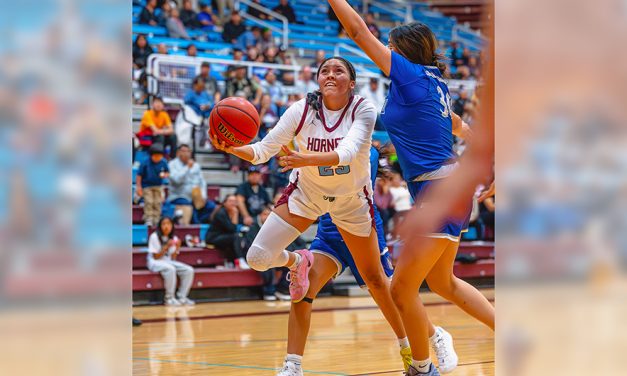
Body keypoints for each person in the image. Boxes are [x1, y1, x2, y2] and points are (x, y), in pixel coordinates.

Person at [210, 56, 413, 372]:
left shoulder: (363, 109)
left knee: (376, 279)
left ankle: (412, 349)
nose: (330, 74)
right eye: (324, 70)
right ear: (317, 79)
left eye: (339, 70)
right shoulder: (300, 110)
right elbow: (263, 151)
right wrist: (232, 148)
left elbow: (345, 154)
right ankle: (298, 261)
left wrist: (303, 159)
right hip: (308, 195)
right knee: (258, 258)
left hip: (351, 203)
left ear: (351, 80)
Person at [327, 2, 492, 375]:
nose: (385, 49)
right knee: (443, 282)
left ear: (401, 50)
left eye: (390, 45)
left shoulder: (411, 74)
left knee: (401, 289)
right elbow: (452, 122)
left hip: (439, 190)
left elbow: (357, 32)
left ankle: (421, 368)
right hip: (446, 187)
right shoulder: (432, 82)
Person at [276, 147, 457, 376]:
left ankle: (432, 336)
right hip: (330, 232)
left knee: (388, 293)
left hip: (362, 230)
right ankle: (293, 365)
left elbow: (340, 172)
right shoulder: (320, 141)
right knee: (303, 288)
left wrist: (309, 160)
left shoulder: (364, 150)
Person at [147, 216, 195, 306]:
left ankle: (182, 296)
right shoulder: (154, 236)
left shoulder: (174, 238)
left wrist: (177, 248)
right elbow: (156, 257)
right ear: (160, 226)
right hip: (154, 262)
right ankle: (169, 298)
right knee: (171, 269)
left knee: (189, 270)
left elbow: (173, 258)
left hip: (167, 261)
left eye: (169, 224)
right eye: (164, 224)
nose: (166, 226)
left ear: (172, 226)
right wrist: (166, 247)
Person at [205, 195, 250, 269]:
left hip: (223, 237)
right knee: (236, 236)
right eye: (230, 201)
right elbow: (232, 229)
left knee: (240, 237)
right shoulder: (221, 213)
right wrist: (235, 214)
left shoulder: (232, 211)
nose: (233, 203)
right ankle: (240, 260)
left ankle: (232, 262)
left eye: (234, 201)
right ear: (224, 203)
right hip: (213, 238)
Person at [168, 144, 208, 225]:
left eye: (188, 151)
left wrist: (203, 195)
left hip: (195, 195)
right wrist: (187, 168)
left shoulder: (196, 165)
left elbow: (202, 182)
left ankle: (199, 222)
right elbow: (177, 180)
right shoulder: (172, 164)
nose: (186, 153)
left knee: (212, 207)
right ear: (178, 153)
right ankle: (195, 225)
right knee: (187, 205)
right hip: (178, 195)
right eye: (183, 151)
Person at [136, 143, 170, 226]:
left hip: (158, 186)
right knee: (149, 202)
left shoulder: (163, 162)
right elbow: (139, 175)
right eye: (155, 156)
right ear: (151, 155)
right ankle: (149, 218)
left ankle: (157, 218)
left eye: (159, 156)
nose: (157, 158)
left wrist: (165, 175)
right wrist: (138, 187)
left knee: (158, 202)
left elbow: (167, 172)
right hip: (147, 186)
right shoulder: (145, 162)